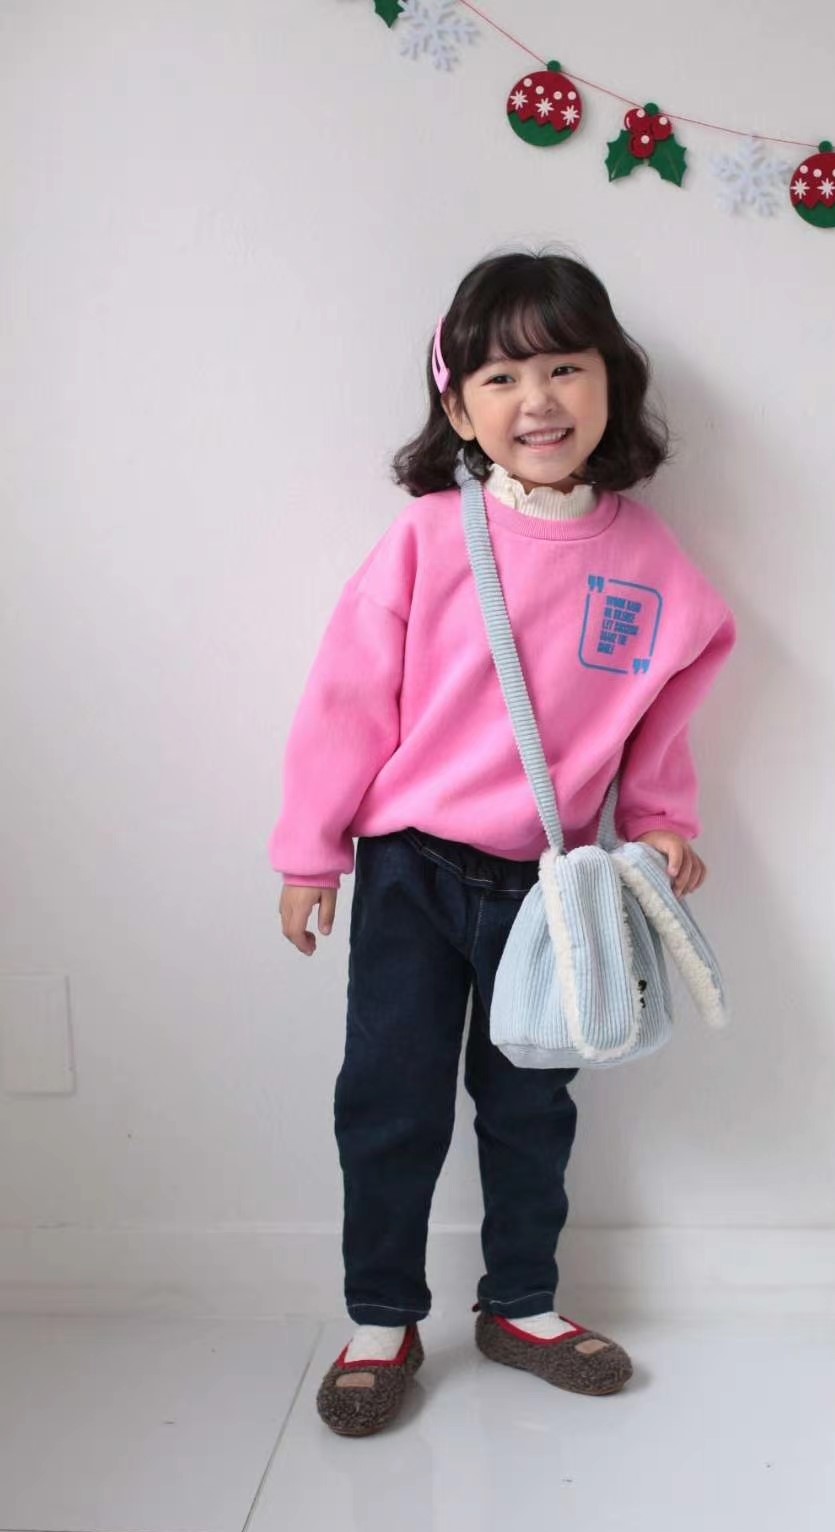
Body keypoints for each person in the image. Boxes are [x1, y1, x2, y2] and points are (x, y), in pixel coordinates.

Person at [269, 250, 737, 1437]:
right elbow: (347, 700)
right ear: (458, 406)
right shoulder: (431, 538)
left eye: (565, 368)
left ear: (612, 382)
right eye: (501, 377)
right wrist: (310, 853)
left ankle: (521, 1302)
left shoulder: (651, 564)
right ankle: (381, 1317)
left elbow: (664, 710)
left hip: (551, 889)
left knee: (531, 1106)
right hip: (411, 867)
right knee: (390, 1099)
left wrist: (663, 822)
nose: (538, 400)